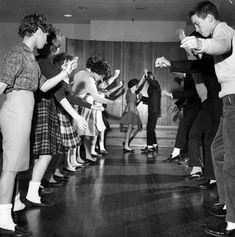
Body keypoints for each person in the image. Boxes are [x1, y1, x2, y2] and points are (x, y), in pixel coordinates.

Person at [0, 13, 76, 237]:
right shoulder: (16, 54)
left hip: (25, 111)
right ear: (39, 31)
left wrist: (64, 73)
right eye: (47, 35)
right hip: (15, 110)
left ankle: (13, 208)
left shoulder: (30, 56)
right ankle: (3, 218)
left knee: (17, 167)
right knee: (10, 168)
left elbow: (43, 87)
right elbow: (1, 85)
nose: (48, 41)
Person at [181, 1, 235, 235]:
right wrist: (196, 47)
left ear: (210, 19)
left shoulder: (222, 30)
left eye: (198, 23)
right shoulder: (217, 32)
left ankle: (233, 223)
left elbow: (221, 44)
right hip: (228, 100)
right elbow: (207, 55)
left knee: (231, 160)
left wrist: (201, 42)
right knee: (218, 151)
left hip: (234, 98)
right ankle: (226, 204)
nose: (197, 27)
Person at [72, 56, 114, 164]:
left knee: (77, 134)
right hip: (75, 106)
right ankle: (72, 161)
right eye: (102, 76)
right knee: (76, 134)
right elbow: (97, 97)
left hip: (75, 103)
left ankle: (76, 159)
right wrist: (111, 102)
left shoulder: (81, 73)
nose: (101, 79)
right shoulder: (91, 80)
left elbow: (73, 86)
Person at [120, 71, 147, 152]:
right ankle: (126, 145)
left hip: (132, 108)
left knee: (135, 128)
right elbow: (140, 84)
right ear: (133, 85)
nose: (137, 87)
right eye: (136, 85)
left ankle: (126, 142)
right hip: (130, 109)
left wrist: (138, 99)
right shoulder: (131, 89)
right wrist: (144, 75)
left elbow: (133, 102)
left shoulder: (131, 92)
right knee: (131, 127)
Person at [140, 71, 161, 153]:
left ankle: (149, 147)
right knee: (151, 128)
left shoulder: (156, 83)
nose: (147, 80)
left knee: (149, 127)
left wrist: (146, 75)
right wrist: (142, 98)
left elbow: (152, 82)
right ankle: (154, 145)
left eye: (148, 78)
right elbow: (150, 100)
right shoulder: (152, 87)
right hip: (152, 109)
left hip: (154, 110)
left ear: (152, 77)